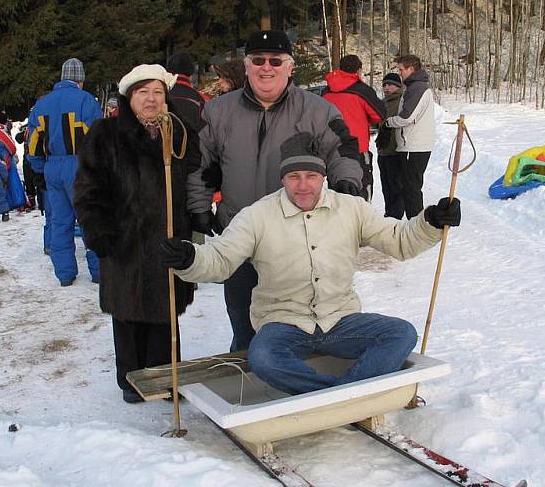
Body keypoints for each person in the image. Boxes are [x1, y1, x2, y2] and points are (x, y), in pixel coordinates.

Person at [160, 132, 461, 395]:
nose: (303, 186)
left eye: (311, 176)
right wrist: (190, 257)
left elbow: (399, 240)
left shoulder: (351, 208)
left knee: (401, 333)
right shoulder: (257, 215)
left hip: (340, 320)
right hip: (283, 323)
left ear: (324, 176)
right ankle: (340, 395)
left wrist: (431, 221)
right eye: (294, 177)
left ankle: (338, 394)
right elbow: (221, 258)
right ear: (282, 178)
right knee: (262, 356)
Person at [187, 29, 363, 352]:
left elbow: (344, 151)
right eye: (258, 60)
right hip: (238, 238)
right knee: (244, 322)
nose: (266, 67)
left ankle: (295, 384)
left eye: (275, 60)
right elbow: (200, 163)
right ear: (247, 65)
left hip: (297, 241)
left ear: (289, 67)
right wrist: (199, 209)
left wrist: (347, 187)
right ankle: (248, 381)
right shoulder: (217, 112)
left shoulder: (317, 111)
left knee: (296, 324)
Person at [74, 64, 199, 404]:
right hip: (124, 239)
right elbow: (88, 190)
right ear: (129, 97)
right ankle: (132, 381)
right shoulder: (106, 134)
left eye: (158, 92)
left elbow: (196, 179)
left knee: (165, 312)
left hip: (169, 236)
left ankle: (165, 376)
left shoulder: (179, 133)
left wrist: (198, 218)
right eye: (143, 92)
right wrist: (98, 229)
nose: (151, 99)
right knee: (128, 313)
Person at [27, 57, 102, 286]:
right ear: (80, 79)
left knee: (60, 221)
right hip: (80, 166)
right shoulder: (86, 101)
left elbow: (32, 143)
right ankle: (99, 272)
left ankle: (65, 274)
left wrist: (40, 168)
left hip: (52, 167)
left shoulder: (41, 104)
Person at [322, 54, 386, 201]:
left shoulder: (326, 91)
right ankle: (361, 222)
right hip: (358, 149)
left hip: (333, 149)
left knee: (336, 193)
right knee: (361, 191)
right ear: (358, 70)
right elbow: (379, 115)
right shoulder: (361, 90)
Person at [384, 54, 435, 219]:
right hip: (413, 145)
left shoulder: (417, 88)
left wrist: (388, 123)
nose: (400, 73)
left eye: (401, 70)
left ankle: (416, 228)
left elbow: (406, 117)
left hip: (413, 146)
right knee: (409, 187)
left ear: (411, 69)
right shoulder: (414, 87)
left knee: (411, 189)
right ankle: (415, 225)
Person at [376, 72, 405, 219]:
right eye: (384, 85)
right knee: (386, 187)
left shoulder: (402, 101)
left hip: (396, 151)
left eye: (390, 84)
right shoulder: (382, 103)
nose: (387, 88)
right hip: (383, 151)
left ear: (398, 86)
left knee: (396, 188)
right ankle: (389, 215)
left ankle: (396, 219)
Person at [165, 52, 206, 131]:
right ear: (191, 75)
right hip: (194, 142)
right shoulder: (201, 99)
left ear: (169, 73)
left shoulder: (158, 97)